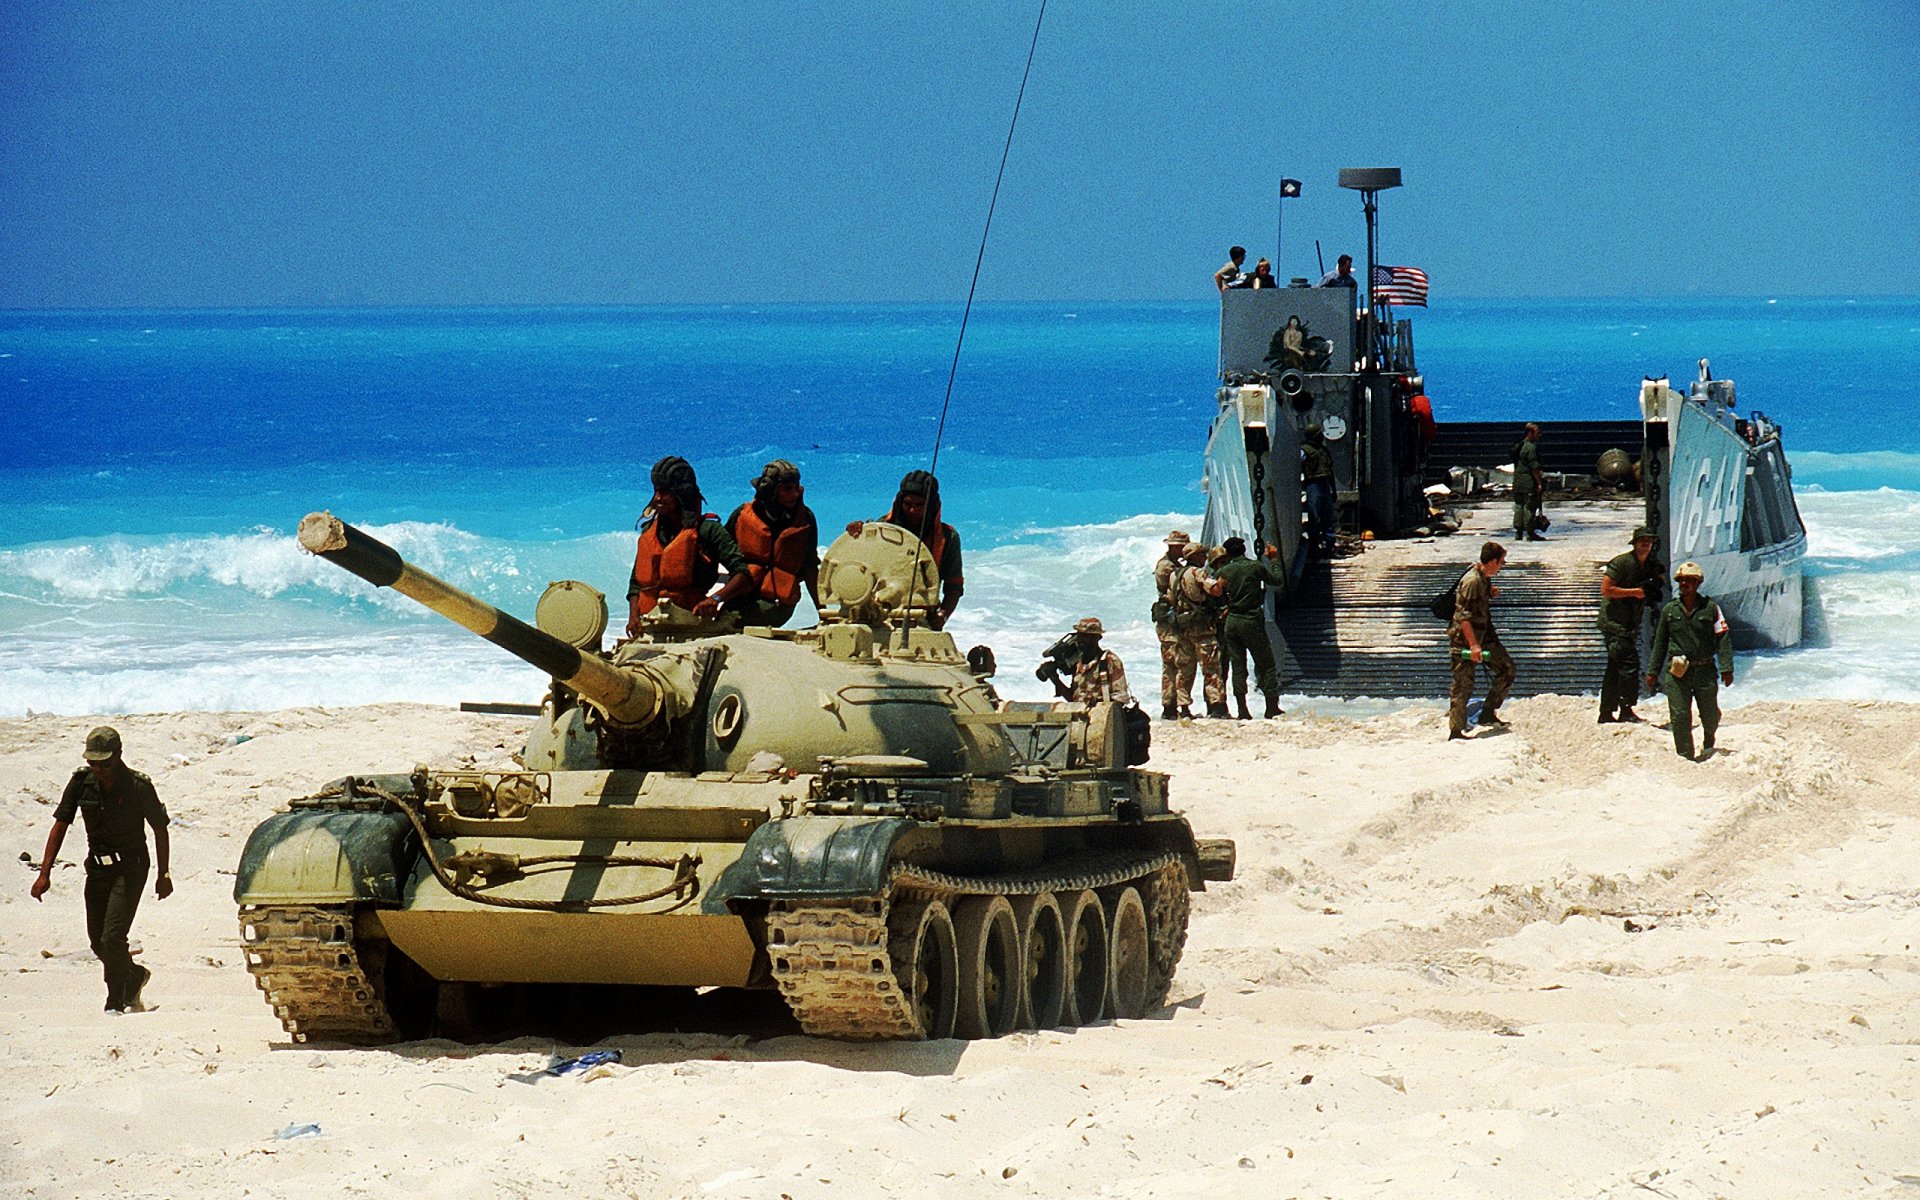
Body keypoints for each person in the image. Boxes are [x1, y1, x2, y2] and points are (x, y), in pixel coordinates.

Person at [29, 726, 172, 1013]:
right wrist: (44, 873)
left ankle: (114, 999)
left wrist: (163, 874)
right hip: (97, 869)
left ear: (118, 756)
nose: (98, 769)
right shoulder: (81, 783)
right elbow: (60, 826)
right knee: (98, 943)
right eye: (93, 763)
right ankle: (134, 975)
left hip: (131, 868)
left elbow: (160, 829)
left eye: (104, 764)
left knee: (112, 937)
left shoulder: (138, 786)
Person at [627, 456, 754, 636]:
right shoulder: (650, 531)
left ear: (681, 493)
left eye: (665, 492)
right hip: (651, 627)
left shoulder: (708, 531)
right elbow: (636, 584)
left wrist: (716, 599)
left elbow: (742, 574)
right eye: (656, 491)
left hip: (693, 626)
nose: (657, 498)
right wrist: (633, 616)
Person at [848, 470, 964, 628]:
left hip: (921, 617)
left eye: (919, 505)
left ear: (931, 505)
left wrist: (942, 616)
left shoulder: (947, 537)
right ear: (900, 502)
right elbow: (859, 569)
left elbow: (954, 586)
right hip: (878, 614)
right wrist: (858, 533)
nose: (912, 510)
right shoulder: (882, 529)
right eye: (908, 504)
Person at [1645, 561, 1734, 760]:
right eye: (1681, 580)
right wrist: (1652, 671)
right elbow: (1660, 643)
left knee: (1710, 716)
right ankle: (1685, 756)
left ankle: (1709, 739)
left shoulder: (1711, 609)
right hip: (1678, 672)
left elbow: (1723, 638)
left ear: (1697, 583)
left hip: (1705, 671)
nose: (1684, 584)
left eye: (1689, 580)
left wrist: (1727, 668)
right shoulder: (1670, 610)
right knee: (1680, 716)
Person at [724, 458, 821, 628]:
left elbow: (810, 568)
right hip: (739, 598)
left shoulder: (805, 519)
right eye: (787, 489)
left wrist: (821, 610)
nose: (795, 494)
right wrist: (714, 597)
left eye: (796, 487)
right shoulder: (741, 516)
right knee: (722, 627)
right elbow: (718, 550)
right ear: (770, 490)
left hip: (778, 604)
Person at [1448, 541, 1516, 740]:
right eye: (1501, 562)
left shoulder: (1483, 577)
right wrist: (1473, 645)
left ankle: (1487, 713)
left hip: (1484, 635)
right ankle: (1456, 731)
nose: (1502, 566)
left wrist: (1490, 592)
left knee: (1507, 669)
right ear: (1492, 562)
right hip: (1465, 639)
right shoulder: (1472, 581)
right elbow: (1464, 617)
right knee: (1463, 684)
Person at [1213, 537, 1287, 719]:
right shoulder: (1255, 567)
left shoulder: (1223, 571)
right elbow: (1277, 580)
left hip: (1232, 621)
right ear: (1244, 549)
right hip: (1251, 620)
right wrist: (1274, 560)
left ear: (1228, 553)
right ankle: (1271, 707)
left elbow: (1216, 591)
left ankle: (1242, 710)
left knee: (1238, 666)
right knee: (1266, 664)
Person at [1597, 526, 1661, 723]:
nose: (1646, 544)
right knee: (1629, 665)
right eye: (1642, 541)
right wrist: (1634, 592)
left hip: (1630, 624)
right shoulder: (1622, 562)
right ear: (1635, 543)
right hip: (1614, 623)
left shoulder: (1650, 564)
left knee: (1615, 667)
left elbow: (1660, 579)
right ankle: (1626, 710)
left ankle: (1606, 713)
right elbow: (1606, 589)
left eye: (1649, 541)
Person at [1177, 541, 1230, 717]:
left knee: (1185, 669)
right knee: (1211, 667)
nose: (1205, 558)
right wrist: (1220, 583)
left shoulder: (1176, 574)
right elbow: (1215, 590)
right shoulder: (1197, 572)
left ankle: (1184, 707)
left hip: (1183, 625)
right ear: (1193, 557)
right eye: (1201, 555)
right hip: (1201, 627)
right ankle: (1217, 706)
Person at [1153, 530, 1194, 719]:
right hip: (1169, 623)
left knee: (1171, 666)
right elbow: (1171, 591)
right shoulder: (1167, 567)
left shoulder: (1171, 564)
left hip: (1168, 622)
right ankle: (1178, 706)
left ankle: (1169, 706)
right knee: (1179, 665)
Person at [1054, 617, 1131, 705]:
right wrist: (1054, 678)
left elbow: (1120, 699)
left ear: (1097, 638)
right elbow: (1073, 699)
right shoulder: (1078, 664)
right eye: (1079, 635)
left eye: (1086, 636)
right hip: (1079, 713)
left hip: (1102, 712)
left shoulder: (1110, 661)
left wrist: (1098, 703)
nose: (1080, 640)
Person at [1301, 422, 1336, 558]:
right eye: (1320, 434)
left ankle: (1329, 546)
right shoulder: (1304, 450)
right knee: (1314, 518)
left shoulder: (1324, 450)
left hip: (1325, 484)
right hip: (1313, 485)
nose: (1322, 436)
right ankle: (1314, 548)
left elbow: (1330, 471)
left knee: (1328, 517)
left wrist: (1333, 490)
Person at [1512, 423, 1545, 541]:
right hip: (1528, 482)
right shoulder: (1531, 448)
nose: (1539, 435)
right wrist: (1539, 483)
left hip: (1517, 481)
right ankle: (1530, 532)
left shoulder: (1518, 446)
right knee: (1529, 507)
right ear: (1530, 433)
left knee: (1518, 506)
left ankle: (1518, 532)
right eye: (1537, 433)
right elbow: (1534, 467)